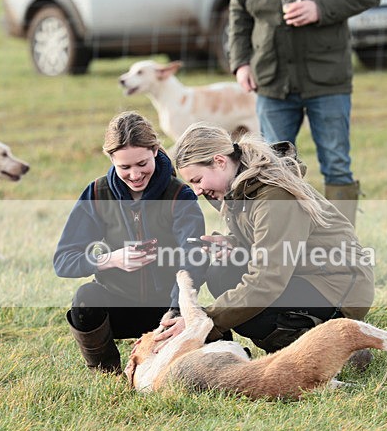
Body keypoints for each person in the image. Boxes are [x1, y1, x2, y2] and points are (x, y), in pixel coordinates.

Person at [157, 123, 375, 370]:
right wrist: (234, 245)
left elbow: (267, 279)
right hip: (305, 274)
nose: (197, 191)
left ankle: (336, 353)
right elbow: (271, 244)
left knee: (248, 305)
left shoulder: (274, 196)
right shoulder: (241, 189)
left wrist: (205, 321)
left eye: (197, 180)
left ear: (219, 161)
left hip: (338, 285)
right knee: (223, 273)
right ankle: (307, 348)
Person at [53, 112, 206, 373]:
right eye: (125, 167)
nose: (135, 174)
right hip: (118, 306)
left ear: (156, 150)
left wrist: (176, 312)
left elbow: (194, 256)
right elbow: (63, 261)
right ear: (111, 159)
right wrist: (110, 259)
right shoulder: (97, 193)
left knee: (216, 342)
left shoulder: (180, 194)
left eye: (142, 163)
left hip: (166, 307)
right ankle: (105, 370)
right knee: (85, 299)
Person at [229, 0, 383, 227]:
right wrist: (240, 62)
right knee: (273, 169)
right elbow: (239, 10)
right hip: (272, 79)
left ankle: (342, 246)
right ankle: (283, 243)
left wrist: (320, 8)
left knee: (337, 166)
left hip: (328, 77)